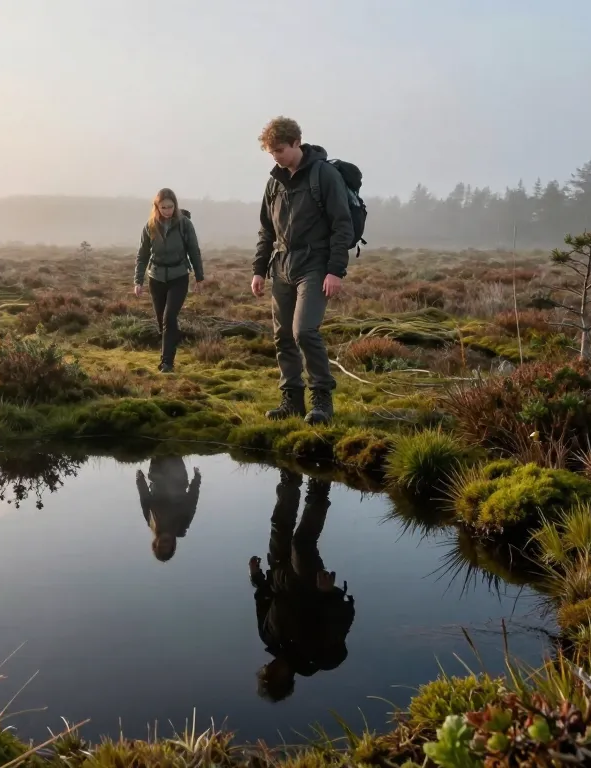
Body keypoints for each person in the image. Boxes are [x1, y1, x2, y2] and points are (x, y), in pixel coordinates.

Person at [251, 117, 355, 424]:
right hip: (281, 266)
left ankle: (321, 400)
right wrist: (259, 270)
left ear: (296, 143)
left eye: (280, 150)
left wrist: (335, 270)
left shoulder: (324, 175)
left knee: (304, 331)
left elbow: (342, 225)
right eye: (271, 152)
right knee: (282, 336)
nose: (275, 157)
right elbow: (266, 230)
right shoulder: (274, 182)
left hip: (315, 265)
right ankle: (291, 400)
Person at [249, 470, 355, 702]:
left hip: (278, 573)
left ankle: (290, 478)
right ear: (286, 679)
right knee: (301, 543)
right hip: (308, 583)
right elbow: (342, 621)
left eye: (267, 671)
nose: (271, 668)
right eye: (274, 675)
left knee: (279, 525)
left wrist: (256, 577)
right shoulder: (315, 656)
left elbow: (264, 601)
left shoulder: (268, 638)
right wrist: (328, 594)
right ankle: (319, 485)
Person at [134, 188, 205, 373]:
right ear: (157, 207)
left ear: (175, 206)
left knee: (169, 317)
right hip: (156, 278)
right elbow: (142, 255)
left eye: (170, 207)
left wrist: (199, 277)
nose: (167, 211)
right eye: (163, 207)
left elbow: (194, 250)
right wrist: (138, 281)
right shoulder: (149, 226)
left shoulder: (184, 224)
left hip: (178, 277)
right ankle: (171, 343)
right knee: (162, 321)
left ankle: (167, 363)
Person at [136, 456, 201, 561]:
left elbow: (145, 500)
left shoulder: (151, 522)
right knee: (174, 449)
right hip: (178, 479)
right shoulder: (182, 526)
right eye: (167, 547)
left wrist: (139, 479)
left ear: (155, 543)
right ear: (173, 545)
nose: (164, 544)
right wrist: (197, 479)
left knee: (158, 450)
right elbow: (192, 502)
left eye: (161, 547)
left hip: (157, 476)